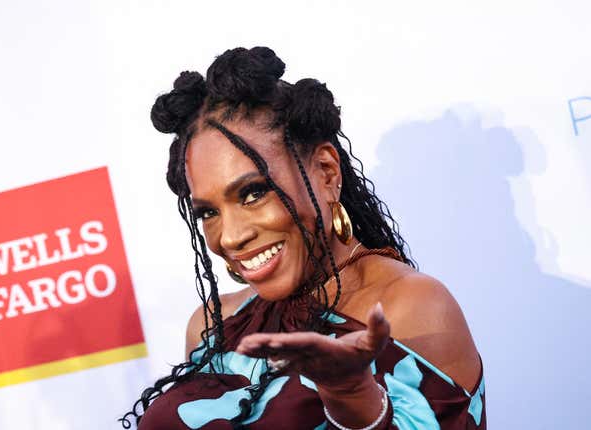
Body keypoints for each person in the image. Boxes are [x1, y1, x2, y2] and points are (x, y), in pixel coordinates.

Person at [120, 47, 485, 429]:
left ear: (326, 172)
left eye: (253, 193)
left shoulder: (408, 307)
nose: (230, 236)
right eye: (208, 212)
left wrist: (352, 397)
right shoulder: (212, 325)